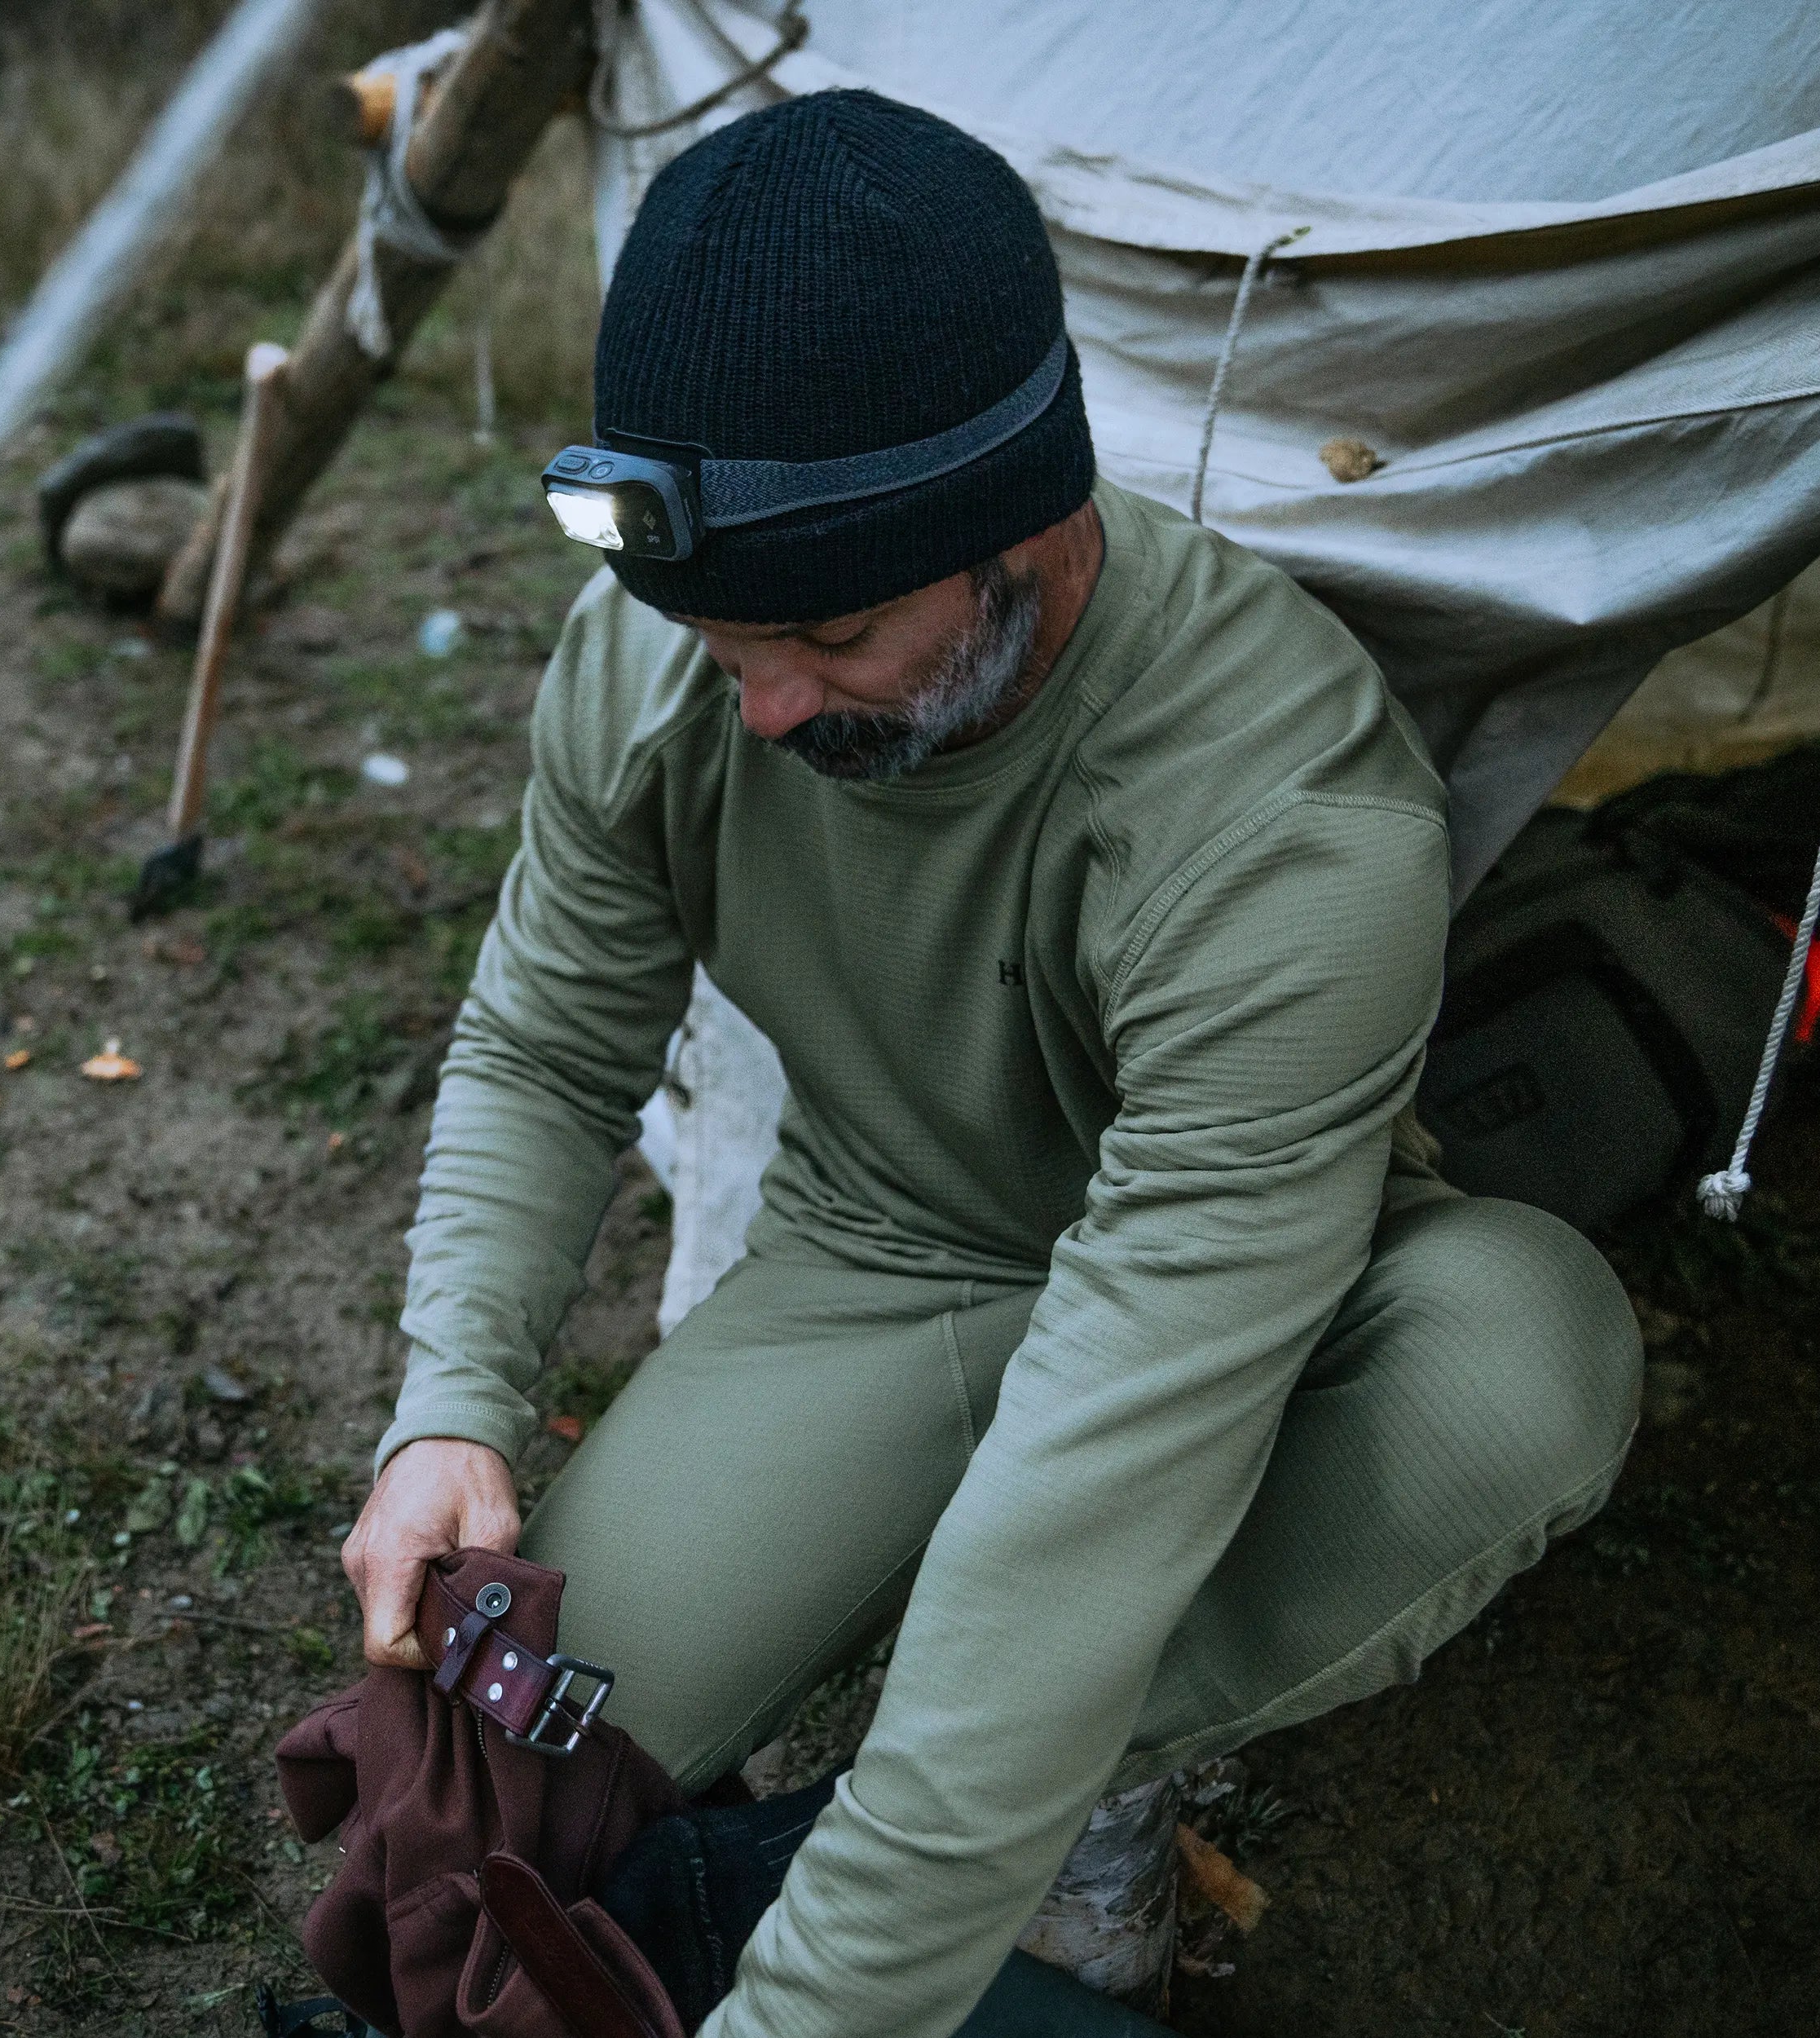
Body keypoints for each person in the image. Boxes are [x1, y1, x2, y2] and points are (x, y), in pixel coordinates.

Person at [342, 89, 1642, 2038]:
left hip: (1243, 1326)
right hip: (890, 1258)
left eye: (834, 631)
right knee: (490, 1760)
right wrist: (446, 1405)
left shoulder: (1280, 822)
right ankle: (945, 1763)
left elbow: (1110, 1455)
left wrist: (811, 2001)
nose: (762, 705)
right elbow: (541, 1041)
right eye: (711, 639)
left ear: (1025, 522)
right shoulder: (673, 666)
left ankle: (1033, 1785)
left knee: (1515, 1360)